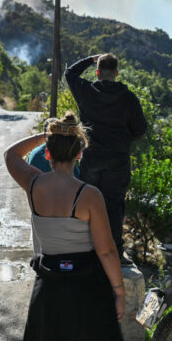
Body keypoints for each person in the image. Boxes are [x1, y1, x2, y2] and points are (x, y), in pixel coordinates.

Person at [4, 112, 126, 341]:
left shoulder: (33, 184)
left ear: (47, 154)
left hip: (49, 285)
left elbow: (11, 154)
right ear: (79, 154)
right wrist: (119, 291)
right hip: (88, 287)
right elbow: (107, 250)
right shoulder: (90, 195)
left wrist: (47, 135)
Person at [65, 53, 147, 264]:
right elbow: (140, 129)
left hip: (91, 157)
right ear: (117, 73)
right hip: (118, 159)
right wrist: (122, 140)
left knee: (87, 203)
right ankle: (115, 253)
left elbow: (69, 72)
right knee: (113, 205)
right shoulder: (128, 98)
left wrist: (90, 59)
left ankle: (85, 249)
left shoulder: (87, 92)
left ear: (97, 72)